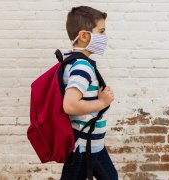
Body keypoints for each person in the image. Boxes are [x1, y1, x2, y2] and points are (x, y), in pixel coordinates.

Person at [60, 6, 118, 180]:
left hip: (93, 142)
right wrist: (102, 102)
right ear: (84, 36)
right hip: (82, 146)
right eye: (101, 31)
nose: (105, 36)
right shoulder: (82, 67)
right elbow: (69, 105)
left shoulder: (77, 62)